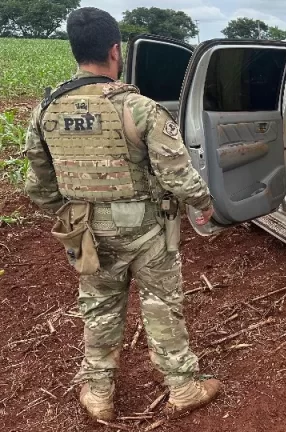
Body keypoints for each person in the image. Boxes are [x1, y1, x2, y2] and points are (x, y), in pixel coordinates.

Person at [24, 7, 220, 421]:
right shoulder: (139, 107)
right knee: (162, 304)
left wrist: (73, 213)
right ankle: (183, 387)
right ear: (116, 51)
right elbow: (179, 176)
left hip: (87, 231)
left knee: (98, 306)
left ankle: (98, 393)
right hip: (147, 229)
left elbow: (38, 188)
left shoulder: (46, 109)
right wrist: (206, 204)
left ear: (74, 50)